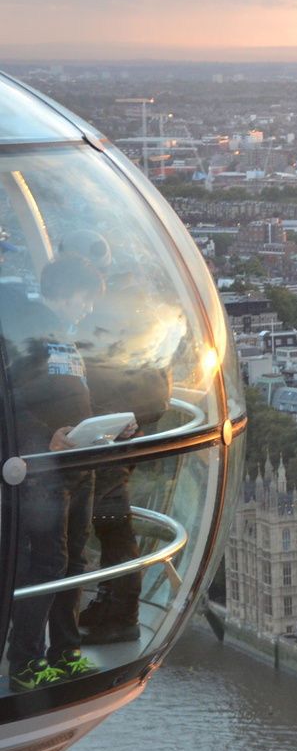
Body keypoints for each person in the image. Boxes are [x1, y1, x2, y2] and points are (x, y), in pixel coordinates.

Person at [2, 255, 109, 689]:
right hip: (44, 473)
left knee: (76, 562)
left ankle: (66, 652)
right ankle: (24, 660)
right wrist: (47, 436)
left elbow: (75, 397)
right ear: (65, 293)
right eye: (84, 300)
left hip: (79, 464)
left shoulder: (67, 338)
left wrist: (109, 422)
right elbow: (13, 406)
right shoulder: (28, 336)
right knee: (48, 562)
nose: (86, 310)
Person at [70, 231, 176, 644]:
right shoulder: (135, 302)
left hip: (111, 431)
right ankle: (111, 606)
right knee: (110, 522)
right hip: (125, 424)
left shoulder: (105, 310)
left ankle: (117, 614)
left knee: (109, 522)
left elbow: (95, 370)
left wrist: (106, 419)